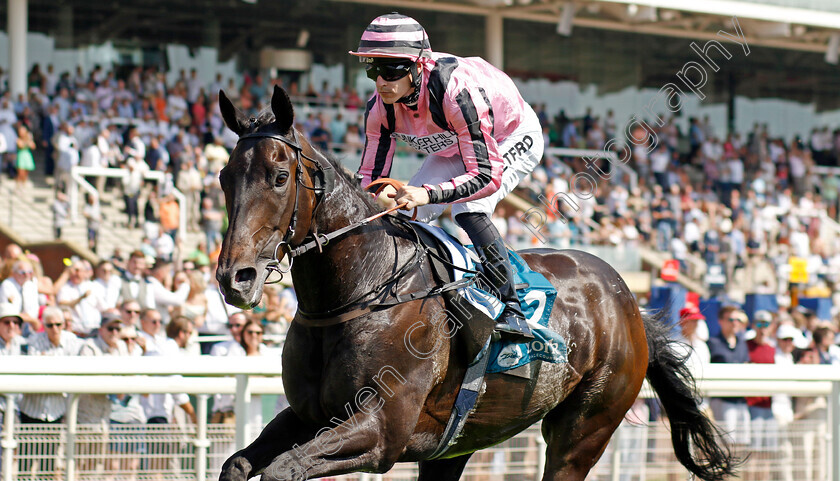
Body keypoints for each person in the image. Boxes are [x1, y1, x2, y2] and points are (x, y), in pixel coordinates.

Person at [351, 13, 544, 340]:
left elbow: (486, 175)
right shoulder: (379, 109)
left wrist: (427, 193)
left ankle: (514, 311)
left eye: (390, 70)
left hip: (510, 137)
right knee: (402, 214)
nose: (380, 81)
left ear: (417, 66)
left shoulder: (456, 91)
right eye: (373, 70)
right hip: (457, 145)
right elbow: (369, 179)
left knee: (467, 209)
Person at [707, 306, 751, 446]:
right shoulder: (713, 344)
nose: (735, 323)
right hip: (722, 400)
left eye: (738, 320)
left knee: (742, 444)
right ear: (721, 321)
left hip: (741, 401)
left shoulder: (742, 344)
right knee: (723, 443)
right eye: (731, 319)